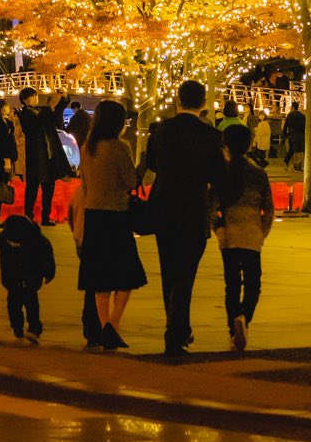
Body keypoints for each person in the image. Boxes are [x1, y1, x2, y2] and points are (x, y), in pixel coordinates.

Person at [143, 79, 222, 356]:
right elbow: (217, 174)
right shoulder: (210, 136)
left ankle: (175, 327)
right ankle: (177, 330)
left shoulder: (161, 131)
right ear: (203, 103)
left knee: (168, 271)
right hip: (194, 208)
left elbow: (152, 164)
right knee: (186, 274)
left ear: (178, 100)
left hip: (164, 207)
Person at [76, 99, 146, 350]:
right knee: (126, 276)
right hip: (116, 215)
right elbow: (130, 181)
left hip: (94, 215)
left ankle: (105, 325)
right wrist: (142, 166)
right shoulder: (119, 147)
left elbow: (85, 184)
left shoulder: (88, 148)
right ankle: (112, 325)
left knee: (100, 279)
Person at [215, 126, 275, 348]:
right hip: (252, 235)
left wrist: (218, 229)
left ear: (226, 146)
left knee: (231, 285)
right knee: (253, 284)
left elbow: (211, 206)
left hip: (229, 236)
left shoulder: (222, 173)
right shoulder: (258, 174)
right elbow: (268, 209)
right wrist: (262, 232)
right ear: (249, 145)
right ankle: (244, 318)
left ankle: (234, 331)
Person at [0, 212, 55, 343]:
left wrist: (49, 273)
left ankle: (34, 329)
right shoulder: (4, 238)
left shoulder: (40, 242)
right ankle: (17, 329)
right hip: (12, 279)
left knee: (32, 305)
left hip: (31, 280)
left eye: (16, 242)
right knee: (13, 306)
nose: (13, 244)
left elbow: (48, 259)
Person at [17, 87, 63, 225]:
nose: (36, 98)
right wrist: (52, 105)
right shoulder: (25, 114)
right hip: (36, 156)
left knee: (48, 188)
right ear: (25, 100)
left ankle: (45, 217)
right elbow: (38, 123)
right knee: (32, 188)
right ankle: (29, 215)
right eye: (33, 96)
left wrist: (62, 99)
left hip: (47, 155)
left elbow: (53, 114)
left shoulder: (40, 110)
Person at [283, 104, 306, 174]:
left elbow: (285, 126)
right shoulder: (302, 116)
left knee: (292, 150)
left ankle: (288, 162)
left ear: (292, 107)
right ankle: (298, 166)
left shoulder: (290, 115)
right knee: (300, 150)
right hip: (301, 135)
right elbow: (305, 126)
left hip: (292, 135)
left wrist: (285, 135)